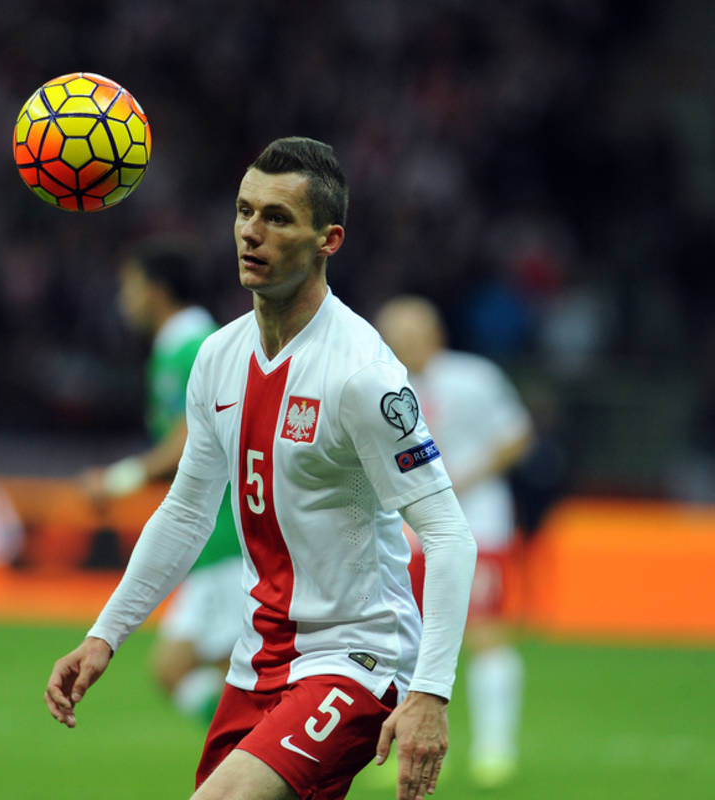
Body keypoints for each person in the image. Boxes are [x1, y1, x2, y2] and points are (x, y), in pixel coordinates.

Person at [45, 137, 477, 800]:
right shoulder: (218, 359)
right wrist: (104, 636)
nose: (251, 231)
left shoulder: (363, 376)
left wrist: (430, 693)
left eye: (277, 217)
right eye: (245, 211)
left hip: (357, 659)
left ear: (328, 240)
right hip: (256, 663)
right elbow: (186, 512)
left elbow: (449, 534)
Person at [77, 241, 242, 723]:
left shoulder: (193, 347)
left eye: (129, 286)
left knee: (226, 680)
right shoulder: (181, 345)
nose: (123, 299)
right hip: (211, 538)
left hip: (227, 535)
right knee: (179, 671)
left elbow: (192, 436)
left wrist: (119, 479)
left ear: (157, 290)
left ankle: (263, 759)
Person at [375, 295, 534, 789]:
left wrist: (464, 478)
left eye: (412, 333)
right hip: (407, 532)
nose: (404, 343)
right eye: (395, 334)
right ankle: (394, 750)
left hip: (477, 524)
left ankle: (495, 749)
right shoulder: (379, 383)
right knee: (401, 637)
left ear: (436, 333)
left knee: (486, 631)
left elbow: (517, 436)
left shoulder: (475, 378)